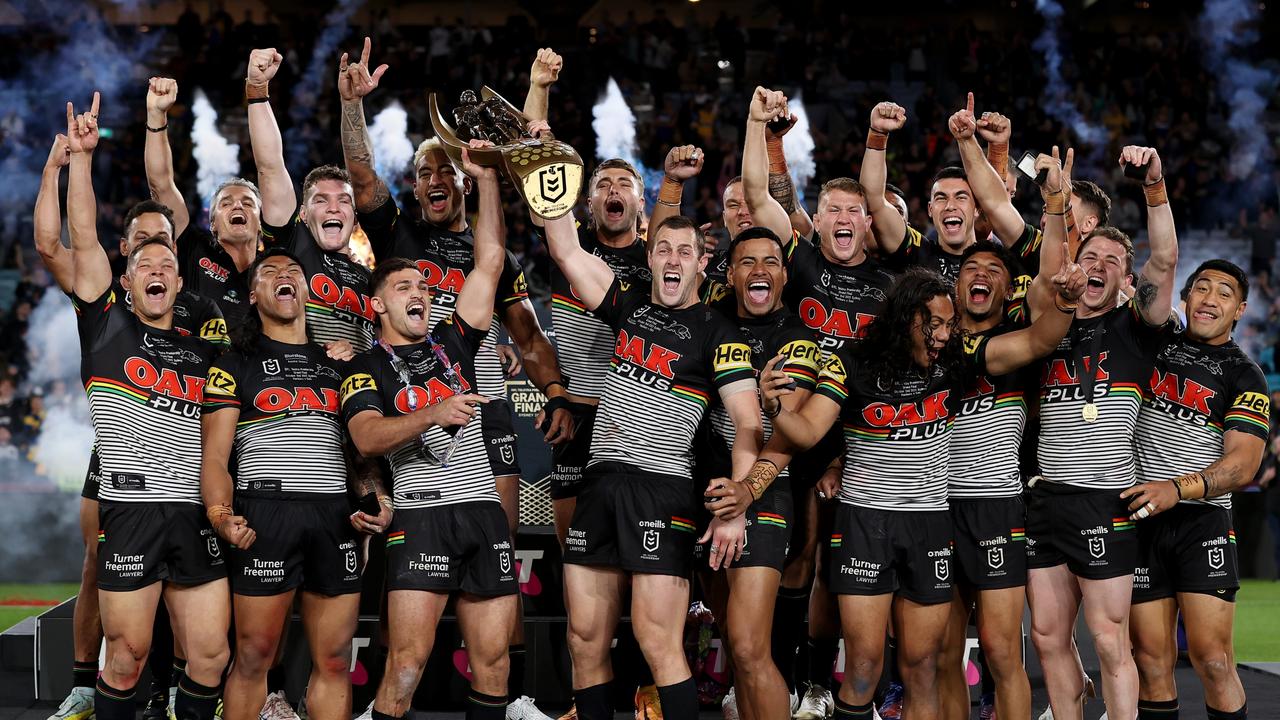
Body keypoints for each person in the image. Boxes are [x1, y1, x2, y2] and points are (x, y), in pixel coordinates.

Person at [339, 41, 569, 720]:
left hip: (482, 404)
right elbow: (358, 172)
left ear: (463, 183)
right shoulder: (397, 239)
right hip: (412, 408)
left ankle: (501, 678)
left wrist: (554, 391)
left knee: (492, 550)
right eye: (422, 171)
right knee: (408, 649)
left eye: (445, 170)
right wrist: (354, 102)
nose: (433, 179)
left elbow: (522, 327)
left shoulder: (479, 265)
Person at [763, 249, 1083, 720]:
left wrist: (1067, 304)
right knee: (865, 667)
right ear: (903, 318)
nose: (941, 334)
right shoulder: (852, 363)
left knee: (923, 665)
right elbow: (808, 431)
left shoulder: (954, 360)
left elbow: (1037, 341)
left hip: (931, 525)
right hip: (864, 523)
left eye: (948, 324)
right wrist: (775, 410)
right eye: (932, 323)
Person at [35, 131, 229, 719]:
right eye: (144, 261)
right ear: (125, 277)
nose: (157, 268)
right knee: (126, 654)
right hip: (132, 512)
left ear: (178, 281)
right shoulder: (105, 325)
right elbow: (80, 237)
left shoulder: (205, 348)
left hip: (194, 512)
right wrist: (82, 161)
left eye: (168, 264)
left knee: (210, 656)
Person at [543, 203, 763, 720]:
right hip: (599, 484)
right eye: (663, 248)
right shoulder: (628, 305)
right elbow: (566, 249)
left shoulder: (719, 333)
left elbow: (747, 424)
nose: (673, 258)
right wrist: (549, 179)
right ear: (651, 256)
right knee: (583, 638)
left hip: (663, 488)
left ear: (701, 265)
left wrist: (736, 507)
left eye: (685, 251)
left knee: (655, 638)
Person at [342, 142, 517, 720]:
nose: (418, 292)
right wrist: (430, 415)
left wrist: (487, 176)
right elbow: (366, 437)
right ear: (377, 307)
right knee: (407, 666)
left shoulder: (453, 341)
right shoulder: (364, 367)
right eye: (402, 288)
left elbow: (489, 260)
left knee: (493, 664)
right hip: (421, 515)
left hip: (482, 509)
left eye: (422, 286)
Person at [202, 247, 389, 720]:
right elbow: (215, 459)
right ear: (253, 293)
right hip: (267, 513)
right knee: (253, 658)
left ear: (306, 289)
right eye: (271, 272)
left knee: (332, 661)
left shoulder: (340, 362)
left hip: (334, 515)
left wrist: (376, 499)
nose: (285, 277)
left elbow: (360, 453)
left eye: (294, 272)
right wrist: (221, 516)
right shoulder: (232, 364)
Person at [1026, 146, 1180, 720]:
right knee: (1046, 636)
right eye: (1090, 254)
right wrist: (1055, 201)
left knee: (1111, 639)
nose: (1099, 265)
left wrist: (1155, 186)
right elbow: (1045, 271)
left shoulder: (1138, 326)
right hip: (1045, 498)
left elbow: (1164, 259)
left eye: (1114, 259)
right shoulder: (1048, 318)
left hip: (1105, 500)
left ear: (1125, 276)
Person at [933, 103, 1075, 720]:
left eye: (996, 269)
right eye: (973, 269)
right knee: (937, 653)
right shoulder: (925, 344)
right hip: (930, 503)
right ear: (956, 285)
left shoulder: (1010, 345)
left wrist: (1055, 208)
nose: (983, 274)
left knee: (998, 649)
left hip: (995, 502)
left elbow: (1045, 321)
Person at [1123, 260, 1269, 720]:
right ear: (1184, 299)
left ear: (1240, 309)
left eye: (1224, 293)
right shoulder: (1150, 344)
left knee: (1213, 660)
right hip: (1139, 518)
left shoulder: (1246, 376)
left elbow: (1242, 466)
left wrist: (1177, 488)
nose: (1209, 299)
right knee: (1150, 661)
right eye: (1200, 288)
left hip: (1201, 523)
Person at [697, 226, 822, 720]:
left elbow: (785, 437)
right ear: (730, 273)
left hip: (763, 494)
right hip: (703, 490)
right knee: (732, 636)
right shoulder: (707, 321)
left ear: (785, 274)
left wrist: (746, 492)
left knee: (749, 649)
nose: (759, 271)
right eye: (747, 262)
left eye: (770, 261)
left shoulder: (797, 338)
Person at [245, 45, 376, 352]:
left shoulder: (373, 278)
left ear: (355, 217)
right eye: (320, 201)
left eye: (343, 201)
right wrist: (257, 90)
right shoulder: (293, 249)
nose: (333, 207)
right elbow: (270, 167)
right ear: (302, 214)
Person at [145, 76, 258, 328]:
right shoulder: (195, 248)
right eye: (226, 203)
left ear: (261, 223)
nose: (238, 206)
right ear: (213, 223)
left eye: (248, 203)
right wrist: (156, 116)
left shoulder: (274, 268)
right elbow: (161, 185)